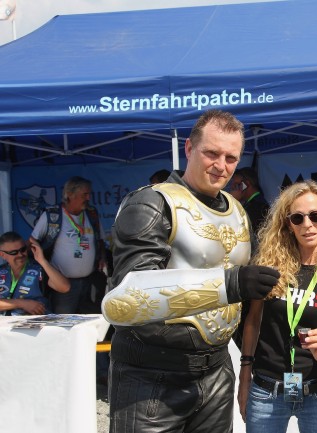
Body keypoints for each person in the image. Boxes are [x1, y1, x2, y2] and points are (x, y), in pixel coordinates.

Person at [101, 109, 280, 433]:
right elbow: (125, 301)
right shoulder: (151, 203)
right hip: (151, 376)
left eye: (230, 157)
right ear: (189, 148)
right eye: (212, 153)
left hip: (217, 370)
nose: (221, 165)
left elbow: (250, 294)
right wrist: (232, 284)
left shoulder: (237, 211)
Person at [237, 180, 317, 433]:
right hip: (267, 392)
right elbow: (253, 321)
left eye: (315, 216)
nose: (307, 224)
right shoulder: (268, 265)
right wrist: (244, 375)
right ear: (288, 225)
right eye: (297, 218)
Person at [30, 175, 106, 314]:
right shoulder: (51, 215)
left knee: (91, 320)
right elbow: (32, 241)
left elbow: (100, 239)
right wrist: (42, 262)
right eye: (84, 194)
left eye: (89, 194)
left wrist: (102, 257)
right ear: (69, 194)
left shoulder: (91, 213)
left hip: (89, 282)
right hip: (63, 285)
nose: (88, 198)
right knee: (63, 322)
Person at [229, 166, 271, 349]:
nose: (233, 189)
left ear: (246, 184)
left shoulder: (256, 207)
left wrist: (232, 202)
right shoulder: (252, 205)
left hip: (253, 274)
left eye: (237, 185)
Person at [0, 231, 70, 315]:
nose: (20, 255)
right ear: (2, 254)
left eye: (23, 249)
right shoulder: (1, 271)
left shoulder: (39, 269)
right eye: (14, 252)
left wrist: (42, 261)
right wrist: (23, 303)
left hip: (35, 322)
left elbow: (64, 287)